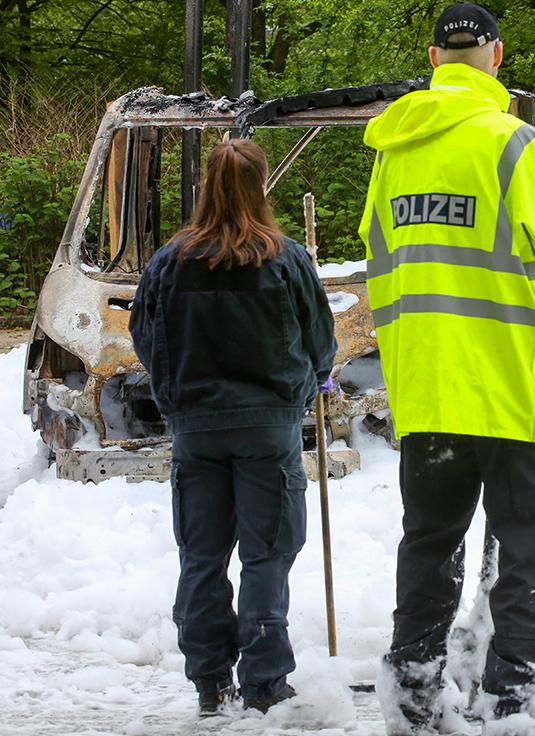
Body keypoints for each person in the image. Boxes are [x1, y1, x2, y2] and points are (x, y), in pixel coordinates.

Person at [358, 3, 535, 733]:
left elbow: (377, 252)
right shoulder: (515, 146)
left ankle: (414, 699)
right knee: (526, 549)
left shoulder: (392, 153)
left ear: (434, 60)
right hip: (509, 390)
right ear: (496, 56)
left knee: (428, 545)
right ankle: (509, 703)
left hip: (427, 388)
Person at [130, 138, 337, 717]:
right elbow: (320, 336)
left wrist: (176, 390)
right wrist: (315, 379)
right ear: (260, 185)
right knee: (267, 553)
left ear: (207, 187)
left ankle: (209, 679)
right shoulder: (285, 258)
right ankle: (265, 679)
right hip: (267, 427)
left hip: (196, 427)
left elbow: (144, 335)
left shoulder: (169, 262)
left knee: (202, 555)